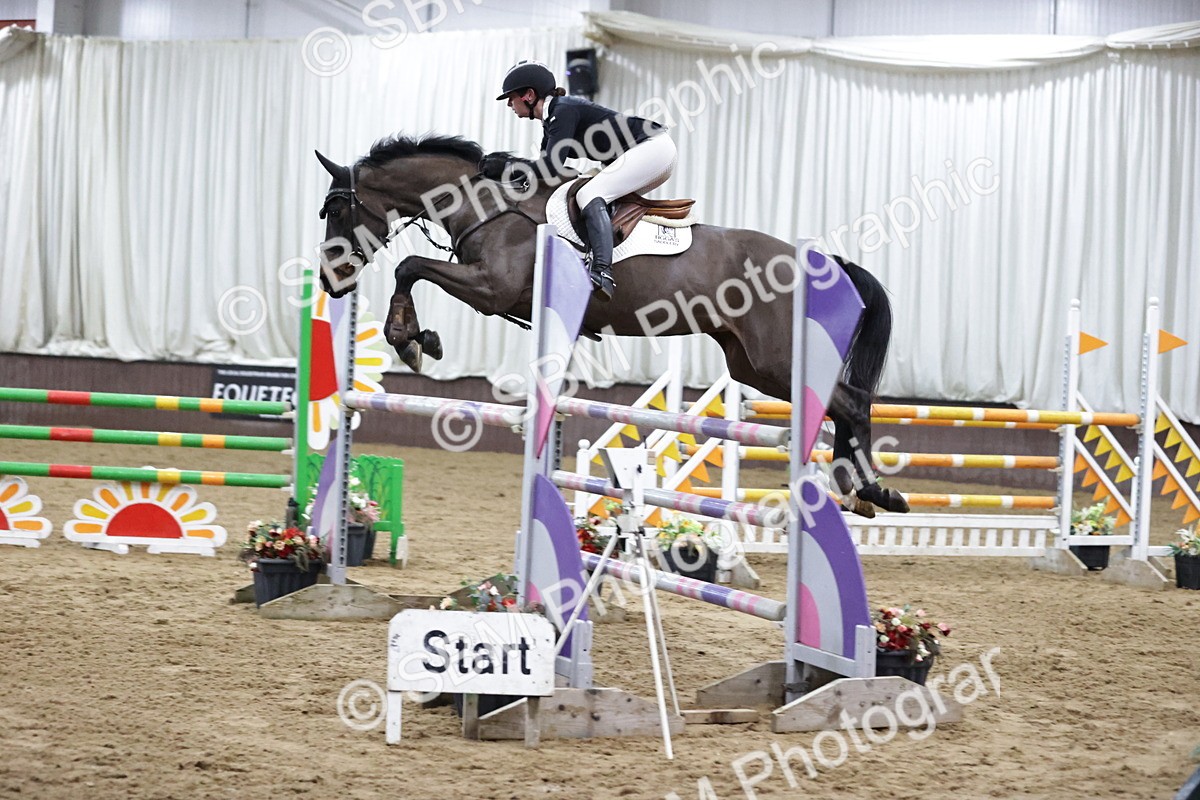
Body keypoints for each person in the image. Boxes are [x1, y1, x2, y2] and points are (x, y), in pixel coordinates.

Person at [483, 60, 677, 301]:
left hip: (652, 148)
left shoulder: (563, 110)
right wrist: (503, 176)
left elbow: (550, 166)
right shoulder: (553, 118)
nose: (510, 104)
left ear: (529, 95)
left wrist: (507, 165)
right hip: (644, 152)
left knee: (589, 194)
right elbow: (546, 173)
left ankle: (603, 272)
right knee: (588, 190)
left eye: (511, 98)